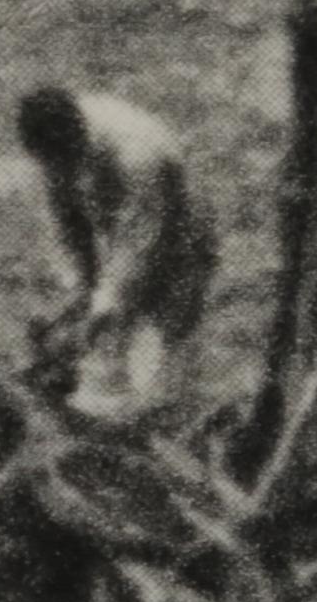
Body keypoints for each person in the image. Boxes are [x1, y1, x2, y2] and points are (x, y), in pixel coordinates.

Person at [13, 84, 216, 420]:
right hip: (117, 218)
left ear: (76, 137)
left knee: (165, 339)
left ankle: (171, 416)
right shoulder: (51, 141)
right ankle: (110, 405)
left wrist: (104, 302)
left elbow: (137, 245)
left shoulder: (137, 153)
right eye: (51, 163)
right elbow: (65, 224)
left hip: (180, 232)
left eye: (63, 161)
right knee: (105, 328)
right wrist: (78, 289)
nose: (56, 170)